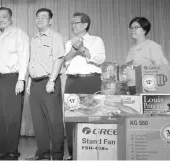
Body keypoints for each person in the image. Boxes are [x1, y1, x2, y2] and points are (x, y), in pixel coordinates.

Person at [0, 7, 30, 160]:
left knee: (12, 116)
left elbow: (24, 57)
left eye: (4, 17)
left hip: (13, 78)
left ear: (11, 18)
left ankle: (12, 150)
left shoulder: (19, 34)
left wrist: (21, 79)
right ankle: (3, 150)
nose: (1, 20)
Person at [63, 12, 106, 158]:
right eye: (72, 23)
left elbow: (99, 59)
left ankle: (91, 154)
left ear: (85, 25)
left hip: (90, 81)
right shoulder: (69, 42)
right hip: (72, 81)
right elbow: (64, 62)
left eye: (76, 23)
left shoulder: (96, 40)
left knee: (91, 116)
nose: (73, 25)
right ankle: (72, 154)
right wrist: (73, 51)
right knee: (70, 118)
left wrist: (81, 48)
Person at [25, 8, 65, 160]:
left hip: (49, 82)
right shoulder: (34, 39)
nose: (40, 19)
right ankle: (43, 153)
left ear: (50, 21)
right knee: (38, 120)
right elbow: (32, 62)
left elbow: (59, 59)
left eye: (43, 17)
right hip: (35, 83)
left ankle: (57, 154)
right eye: (37, 17)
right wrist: (29, 82)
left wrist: (52, 80)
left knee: (54, 120)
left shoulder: (55, 36)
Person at [125, 17, 169, 95]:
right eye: (131, 27)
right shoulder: (131, 49)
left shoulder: (152, 46)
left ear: (144, 30)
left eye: (136, 27)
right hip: (131, 88)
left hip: (147, 89)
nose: (132, 29)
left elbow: (163, 69)